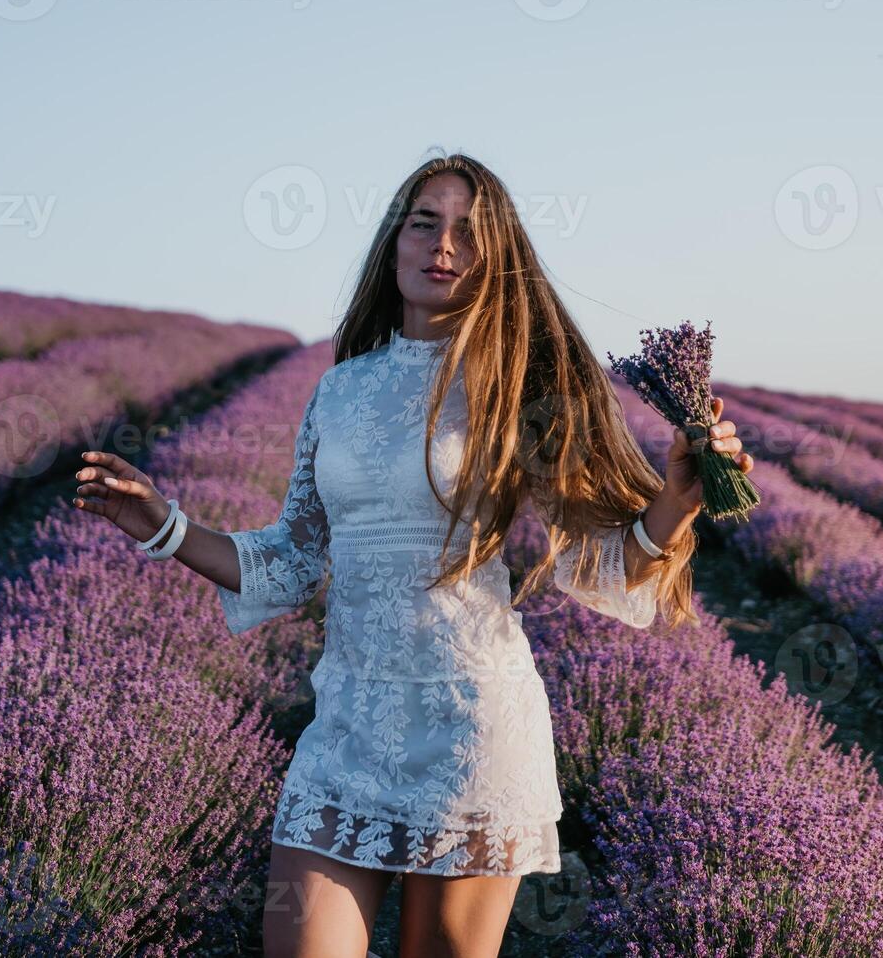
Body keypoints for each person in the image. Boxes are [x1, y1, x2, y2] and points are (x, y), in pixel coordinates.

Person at [71, 152, 752, 958]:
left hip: (470, 725)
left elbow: (596, 564)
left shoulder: (517, 384)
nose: (444, 244)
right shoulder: (341, 389)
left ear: (496, 259)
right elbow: (293, 557)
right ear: (394, 243)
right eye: (424, 222)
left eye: (468, 231)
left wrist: (674, 501)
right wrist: (164, 524)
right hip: (348, 726)